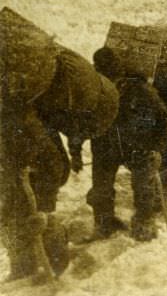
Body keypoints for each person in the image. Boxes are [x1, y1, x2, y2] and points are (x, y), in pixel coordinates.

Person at [1, 18, 119, 281]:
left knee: (23, 210)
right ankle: (29, 266)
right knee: (15, 209)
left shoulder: (29, 107)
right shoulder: (32, 100)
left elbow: (52, 160)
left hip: (26, 168)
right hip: (23, 163)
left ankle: (46, 266)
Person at [88, 48, 167, 241]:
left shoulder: (140, 89)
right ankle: (103, 224)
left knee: (143, 189)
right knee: (101, 190)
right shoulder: (93, 88)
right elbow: (82, 116)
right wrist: (76, 149)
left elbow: (164, 117)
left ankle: (144, 224)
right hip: (105, 147)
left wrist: (157, 148)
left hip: (137, 146)